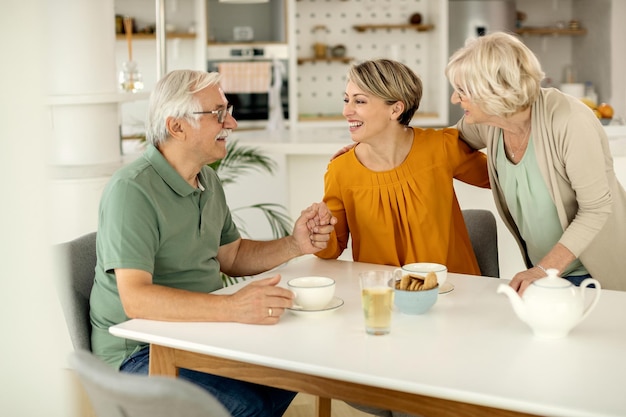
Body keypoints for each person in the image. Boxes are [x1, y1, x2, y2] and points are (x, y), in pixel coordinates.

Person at [89, 69, 337, 417]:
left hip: (202, 334)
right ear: (177, 127)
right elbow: (136, 299)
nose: (231, 124)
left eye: (228, 110)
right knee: (247, 405)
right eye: (218, 113)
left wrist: (295, 244)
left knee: (296, 371)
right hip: (141, 350)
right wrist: (233, 308)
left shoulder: (206, 178)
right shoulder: (132, 190)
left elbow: (231, 255)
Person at [445, 31, 626, 293]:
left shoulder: (570, 121)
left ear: (492, 92)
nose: (454, 98)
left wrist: (542, 270)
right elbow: (444, 145)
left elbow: (596, 209)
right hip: (549, 272)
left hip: (593, 274)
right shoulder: (491, 123)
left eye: (461, 90)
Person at [314, 58, 490, 276]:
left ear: (396, 109)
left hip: (453, 290)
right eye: (346, 100)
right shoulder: (340, 171)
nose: (346, 111)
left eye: (359, 101)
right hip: (384, 297)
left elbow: (501, 179)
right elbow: (332, 247)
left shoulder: (441, 147)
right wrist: (317, 232)